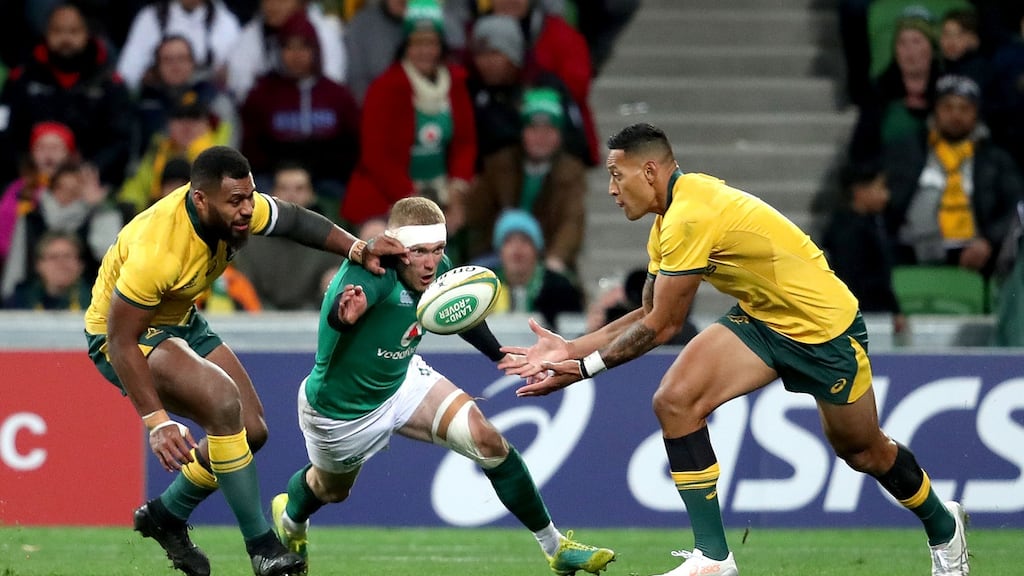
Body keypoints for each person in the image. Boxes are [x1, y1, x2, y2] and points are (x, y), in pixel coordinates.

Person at [501, 123, 970, 576]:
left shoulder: (690, 215)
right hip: (763, 319)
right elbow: (648, 311)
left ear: (649, 171)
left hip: (824, 330)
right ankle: (713, 557)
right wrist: (571, 347)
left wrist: (583, 368)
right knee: (676, 401)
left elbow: (664, 326)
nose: (611, 189)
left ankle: (943, 525)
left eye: (616, 175)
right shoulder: (668, 220)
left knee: (863, 450)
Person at [82, 146, 405, 576]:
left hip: (179, 318)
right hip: (123, 335)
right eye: (236, 201)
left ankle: (166, 514)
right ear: (200, 199)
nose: (248, 209)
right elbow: (121, 340)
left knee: (251, 431)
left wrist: (358, 249)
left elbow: (294, 220)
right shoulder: (158, 250)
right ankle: (262, 547)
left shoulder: (235, 208)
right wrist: (157, 423)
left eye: (250, 196)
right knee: (221, 400)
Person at [269, 195, 615, 576]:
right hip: (342, 409)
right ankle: (291, 520)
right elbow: (335, 324)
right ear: (396, 247)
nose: (431, 262)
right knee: (330, 490)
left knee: (487, 441)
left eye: (438, 249)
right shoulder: (370, 273)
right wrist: (342, 316)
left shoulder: (438, 271)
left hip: (402, 380)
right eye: (419, 251)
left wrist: (499, 354)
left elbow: (457, 310)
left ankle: (555, 547)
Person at [883, 74, 1024, 274]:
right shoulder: (907, 151)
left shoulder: (995, 159)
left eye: (964, 108)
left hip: (977, 254)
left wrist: (989, 240)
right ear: (935, 110)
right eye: (948, 107)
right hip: (910, 250)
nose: (956, 116)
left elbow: (1017, 204)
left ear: (976, 113)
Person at [822, 161, 907, 336]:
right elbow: (850, 278)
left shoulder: (872, 224)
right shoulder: (846, 231)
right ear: (859, 191)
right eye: (880, 188)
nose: (886, 196)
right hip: (862, 317)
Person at [471, 208, 583, 331]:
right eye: (509, 241)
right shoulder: (484, 286)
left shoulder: (560, 288)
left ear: (536, 250)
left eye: (525, 241)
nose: (517, 248)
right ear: (500, 251)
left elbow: (573, 328)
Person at [3, 231, 92, 310]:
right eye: (53, 257)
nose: (61, 263)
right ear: (39, 265)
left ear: (80, 265)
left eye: (67, 256)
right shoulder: (18, 302)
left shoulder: (97, 302)